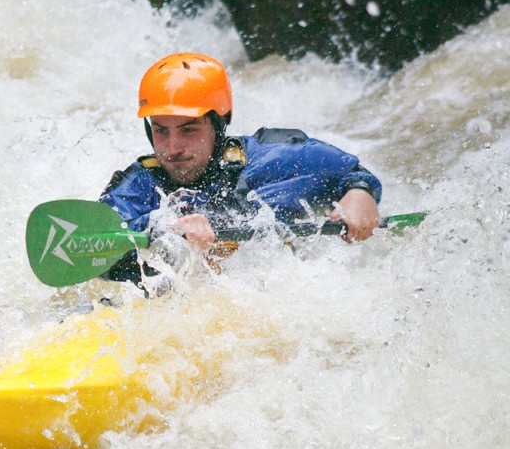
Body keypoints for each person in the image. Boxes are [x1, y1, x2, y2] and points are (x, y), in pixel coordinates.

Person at [100, 52, 382, 285]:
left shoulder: (274, 160)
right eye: (161, 131)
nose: (172, 149)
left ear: (219, 124)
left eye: (189, 130)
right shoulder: (139, 185)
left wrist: (361, 191)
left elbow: (350, 172)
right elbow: (97, 247)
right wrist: (165, 231)